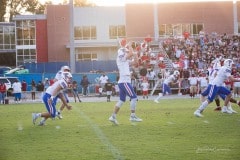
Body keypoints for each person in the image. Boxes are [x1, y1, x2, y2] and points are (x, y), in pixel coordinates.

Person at [108, 38, 142, 125]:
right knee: (134, 97)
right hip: (125, 82)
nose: (126, 52)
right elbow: (129, 53)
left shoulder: (124, 60)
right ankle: (132, 116)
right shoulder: (121, 58)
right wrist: (130, 47)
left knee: (122, 100)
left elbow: (136, 63)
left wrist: (135, 53)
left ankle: (113, 116)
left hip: (122, 81)